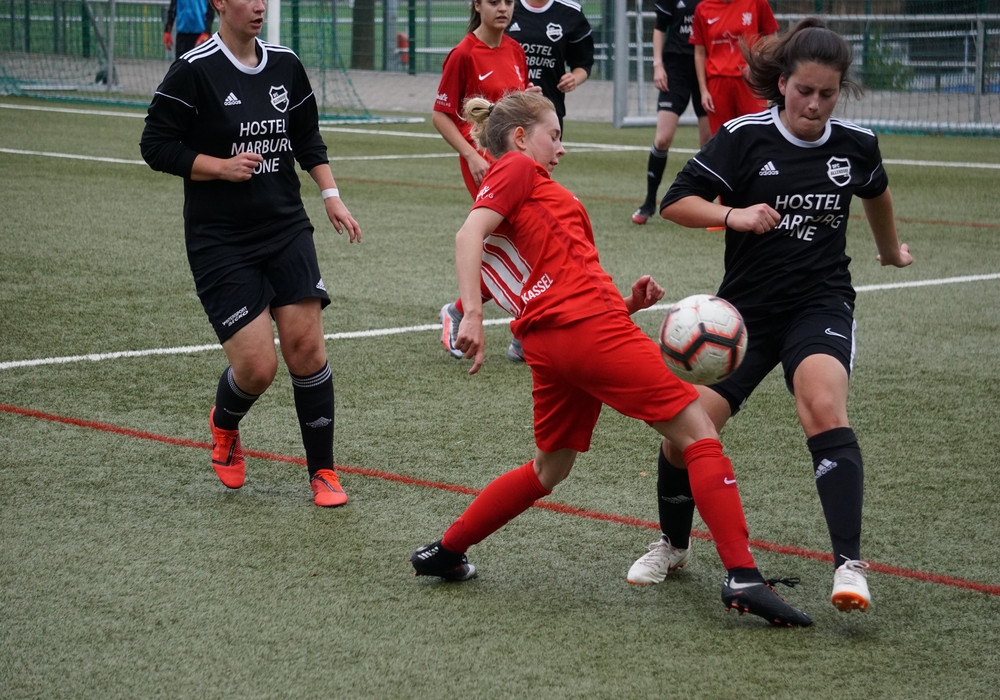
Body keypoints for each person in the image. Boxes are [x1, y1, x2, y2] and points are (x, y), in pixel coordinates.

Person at [410, 90, 813, 628]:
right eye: (554, 134)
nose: (561, 147)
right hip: (588, 330)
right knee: (698, 432)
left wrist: (627, 304)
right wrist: (474, 317)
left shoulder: (530, 198)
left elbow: (549, 286)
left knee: (550, 468)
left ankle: (447, 550)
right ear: (520, 138)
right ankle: (742, 576)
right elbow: (468, 234)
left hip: (557, 343)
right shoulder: (516, 168)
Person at [628, 18, 913, 613]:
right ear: (782, 83)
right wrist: (733, 215)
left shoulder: (856, 144)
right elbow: (677, 202)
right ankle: (673, 545)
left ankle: (849, 566)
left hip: (820, 303)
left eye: (827, 94)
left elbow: (876, 191)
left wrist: (890, 250)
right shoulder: (743, 137)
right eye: (804, 90)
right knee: (686, 431)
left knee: (823, 406)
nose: (814, 104)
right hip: (743, 315)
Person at [140, 0, 362, 508]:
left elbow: (306, 136)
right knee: (259, 368)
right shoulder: (193, 69)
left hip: (285, 226)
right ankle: (225, 424)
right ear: (219, 2)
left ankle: (323, 472)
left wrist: (331, 195)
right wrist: (219, 167)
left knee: (307, 348)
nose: (260, 5)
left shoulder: (285, 63)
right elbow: (154, 145)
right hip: (220, 239)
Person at [434, 0, 536, 364]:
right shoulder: (463, 54)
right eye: (494, 1)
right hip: (483, 164)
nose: (503, 8)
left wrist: (529, 101)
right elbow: (441, 115)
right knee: (519, 238)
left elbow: (514, 111)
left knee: (525, 238)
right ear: (477, 5)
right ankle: (520, 329)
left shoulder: (515, 50)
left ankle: (475, 315)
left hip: (517, 161)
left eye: (508, 1)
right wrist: (471, 155)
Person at [631, 0, 711, 225]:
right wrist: (658, 64)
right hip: (675, 70)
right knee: (663, 138)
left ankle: (704, 203)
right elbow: (659, 27)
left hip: (706, 69)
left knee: (708, 144)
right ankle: (649, 202)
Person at [690, 0, 778, 136]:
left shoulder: (757, 3)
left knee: (756, 134)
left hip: (750, 81)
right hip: (718, 83)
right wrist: (703, 90)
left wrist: (761, 61)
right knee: (722, 137)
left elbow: (771, 38)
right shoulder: (703, 8)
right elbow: (699, 53)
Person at [507, 0, 595, 135]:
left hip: (549, 108)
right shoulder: (506, 6)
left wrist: (574, 78)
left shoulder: (571, 12)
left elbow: (583, 64)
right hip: (507, 108)